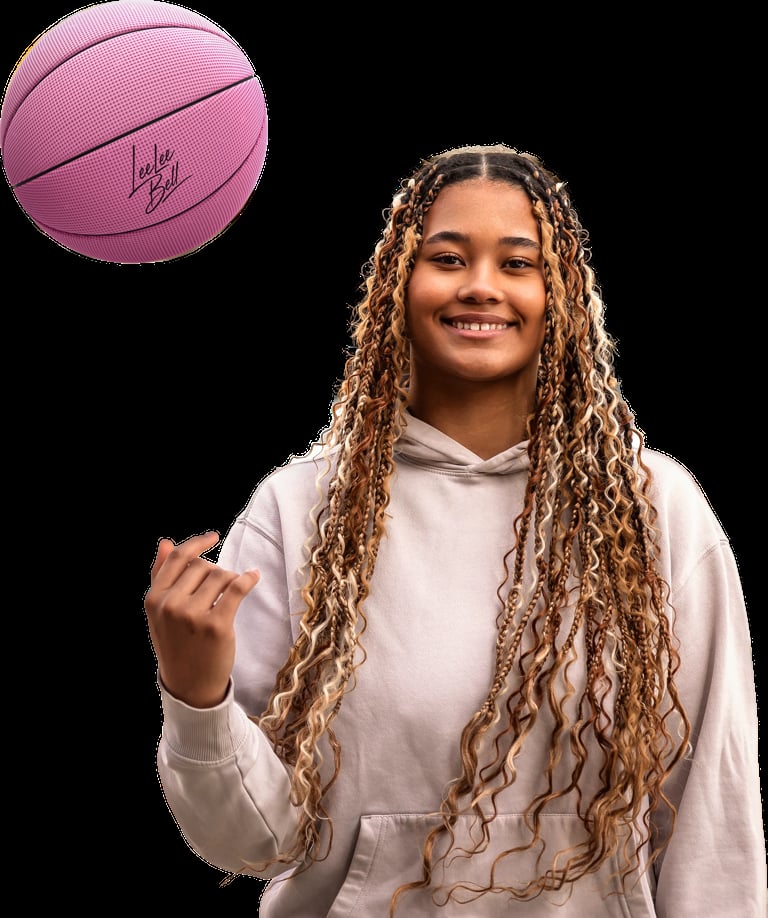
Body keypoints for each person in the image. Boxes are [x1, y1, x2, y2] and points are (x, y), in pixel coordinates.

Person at [144, 144, 766, 916]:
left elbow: (712, 808)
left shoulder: (655, 509)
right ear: (397, 286)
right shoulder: (299, 510)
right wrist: (197, 697)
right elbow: (250, 845)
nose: (480, 285)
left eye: (517, 263)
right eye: (447, 258)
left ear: (561, 294)